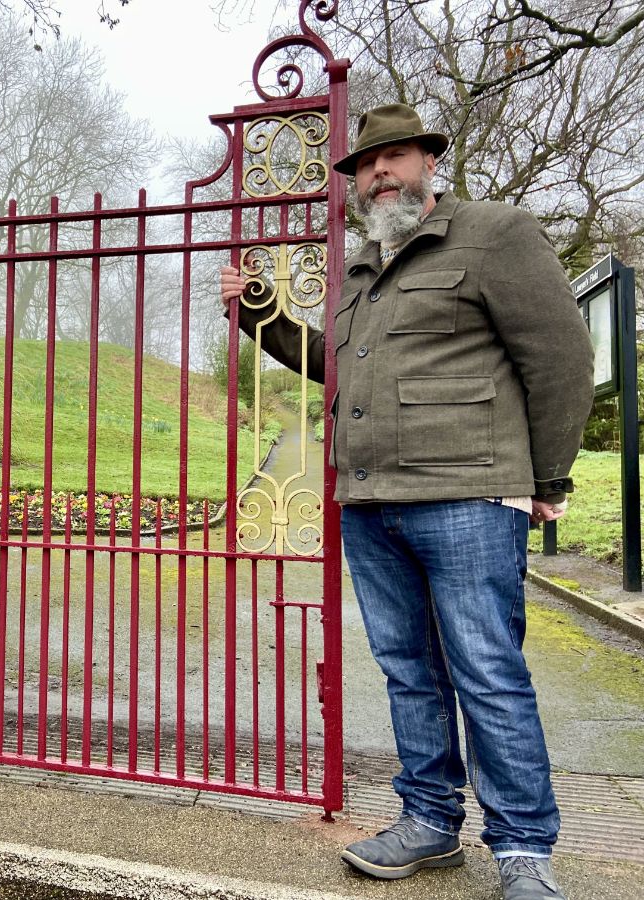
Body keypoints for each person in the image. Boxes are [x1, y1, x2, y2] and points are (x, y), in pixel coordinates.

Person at [220, 104, 593, 900]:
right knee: (408, 673)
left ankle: (525, 850)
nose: (379, 173)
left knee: (487, 672)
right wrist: (257, 315)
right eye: (367, 165)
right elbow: (339, 366)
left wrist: (548, 478)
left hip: (467, 493)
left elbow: (560, 357)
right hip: (369, 499)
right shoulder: (363, 267)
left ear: (428, 162)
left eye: (395, 157)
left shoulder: (496, 234)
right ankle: (429, 823)